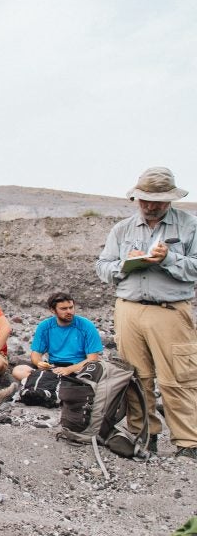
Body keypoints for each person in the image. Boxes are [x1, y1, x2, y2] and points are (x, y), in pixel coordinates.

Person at [96, 166, 197, 460]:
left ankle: (188, 442)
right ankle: (145, 435)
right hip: (128, 310)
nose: (150, 207)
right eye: (145, 201)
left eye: (158, 201)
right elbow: (102, 265)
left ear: (170, 200)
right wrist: (124, 265)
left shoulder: (190, 226)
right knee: (136, 379)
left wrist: (168, 258)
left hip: (170, 311)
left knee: (178, 377)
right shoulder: (122, 229)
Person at [11, 292, 103, 382]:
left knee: (98, 372)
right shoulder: (45, 327)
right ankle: (55, 383)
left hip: (79, 368)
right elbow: (36, 354)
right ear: (52, 310)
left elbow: (93, 359)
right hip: (54, 368)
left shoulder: (86, 326)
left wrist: (69, 370)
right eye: (63, 309)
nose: (69, 311)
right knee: (18, 370)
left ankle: (44, 383)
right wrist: (39, 363)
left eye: (71, 307)